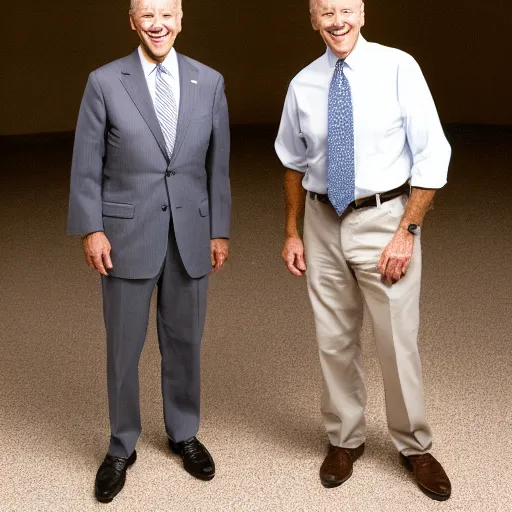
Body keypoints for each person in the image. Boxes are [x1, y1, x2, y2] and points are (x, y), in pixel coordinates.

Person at [275, 0, 452, 501]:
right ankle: (344, 439)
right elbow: (291, 161)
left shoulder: (399, 67)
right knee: (333, 338)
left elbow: (433, 154)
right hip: (322, 221)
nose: (337, 21)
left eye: (346, 9)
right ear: (313, 19)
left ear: (363, 12)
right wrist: (293, 231)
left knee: (397, 339)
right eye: (326, 11)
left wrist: (407, 231)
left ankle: (414, 445)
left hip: (385, 220)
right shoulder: (302, 83)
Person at [67, 0, 230, 502]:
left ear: (180, 19)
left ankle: (184, 433)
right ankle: (121, 445)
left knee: (185, 341)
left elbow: (216, 166)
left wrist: (218, 229)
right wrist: (91, 229)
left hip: (190, 234)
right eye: (147, 15)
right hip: (124, 237)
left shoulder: (211, 81)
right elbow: (86, 166)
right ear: (132, 21)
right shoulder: (104, 82)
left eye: (166, 14)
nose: (157, 24)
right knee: (124, 348)